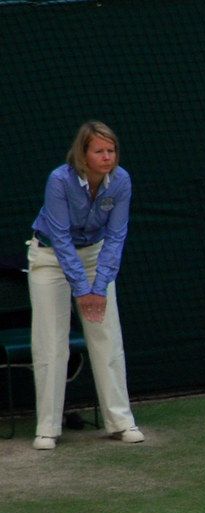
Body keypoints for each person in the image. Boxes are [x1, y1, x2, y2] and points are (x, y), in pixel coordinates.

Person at [28, 121, 144, 450]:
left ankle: (121, 422)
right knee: (52, 343)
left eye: (111, 151)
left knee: (107, 337)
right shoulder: (59, 180)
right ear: (83, 154)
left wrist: (100, 284)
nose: (107, 157)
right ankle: (47, 429)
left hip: (95, 257)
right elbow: (61, 238)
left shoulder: (120, 180)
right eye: (99, 151)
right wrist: (83, 289)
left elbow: (117, 235)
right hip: (50, 257)